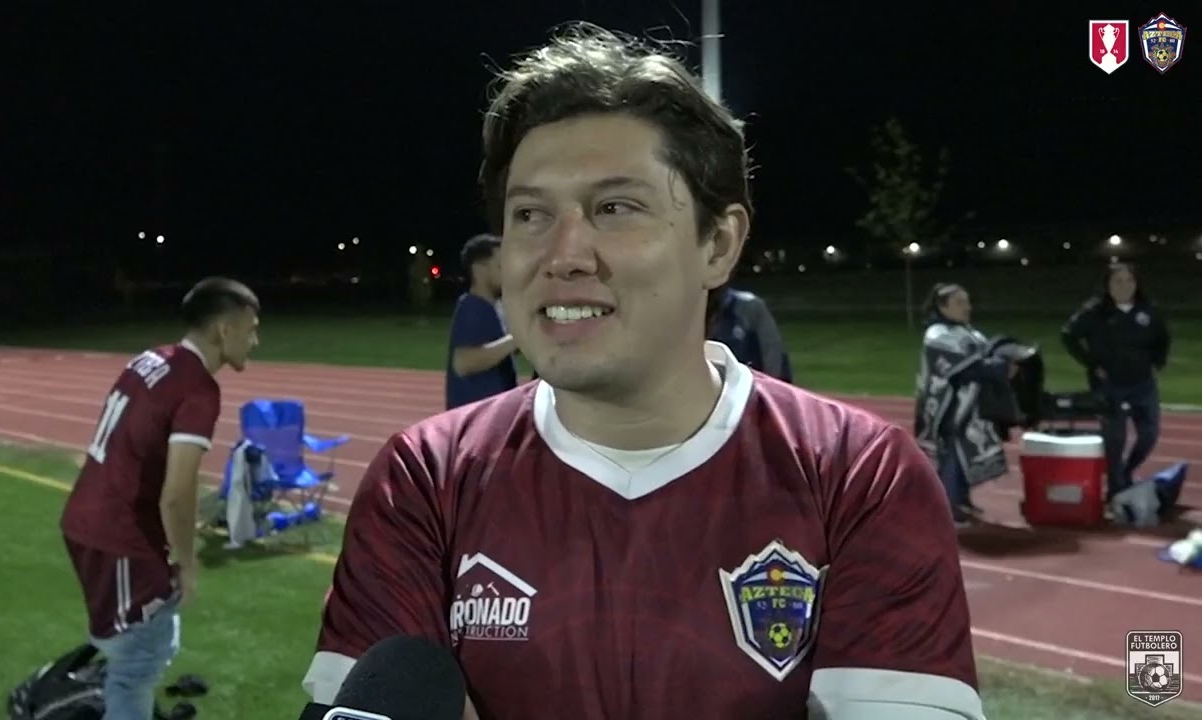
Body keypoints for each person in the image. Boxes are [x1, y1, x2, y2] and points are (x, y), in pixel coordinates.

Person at [306, 25, 983, 720]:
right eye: (531, 213)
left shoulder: (859, 475)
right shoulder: (422, 480)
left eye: (615, 208)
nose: (563, 253)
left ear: (718, 245)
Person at [59, 277, 259, 720]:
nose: (255, 339)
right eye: (250, 328)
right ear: (223, 330)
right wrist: (186, 563)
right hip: (119, 535)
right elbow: (177, 493)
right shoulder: (199, 388)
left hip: (90, 519)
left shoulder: (150, 359)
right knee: (137, 661)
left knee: (137, 648)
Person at [1060, 262, 1171, 501]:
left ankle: (1126, 471)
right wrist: (1091, 363)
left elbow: (1163, 338)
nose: (1124, 286)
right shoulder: (1093, 311)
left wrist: (1157, 362)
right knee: (1115, 439)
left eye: (1129, 280)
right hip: (1109, 385)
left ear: (1137, 283)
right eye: (1117, 281)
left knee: (1149, 434)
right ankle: (1116, 488)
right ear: (1107, 284)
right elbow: (1068, 335)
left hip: (1143, 384)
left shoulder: (1148, 309)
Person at [913, 283, 1014, 527]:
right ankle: (949, 507)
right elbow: (964, 369)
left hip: (969, 408)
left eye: (967, 302)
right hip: (946, 407)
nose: (967, 307)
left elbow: (984, 355)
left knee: (966, 452)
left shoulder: (968, 332)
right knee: (952, 454)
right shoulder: (937, 334)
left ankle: (962, 499)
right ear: (942, 306)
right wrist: (1001, 367)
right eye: (960, 302)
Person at [445, 233, 517, 409]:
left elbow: (499, 352)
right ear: (479, 269)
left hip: (491, 414)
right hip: (475, 419)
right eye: (501, 266)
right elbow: (463, 363)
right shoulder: (472, 307)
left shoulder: (495, 308)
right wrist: (517, 339)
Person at [708, 286, 793, 381]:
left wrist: (772, 387)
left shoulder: (749, 306)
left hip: (751, 385)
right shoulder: (696, 309)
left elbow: (771, 351)